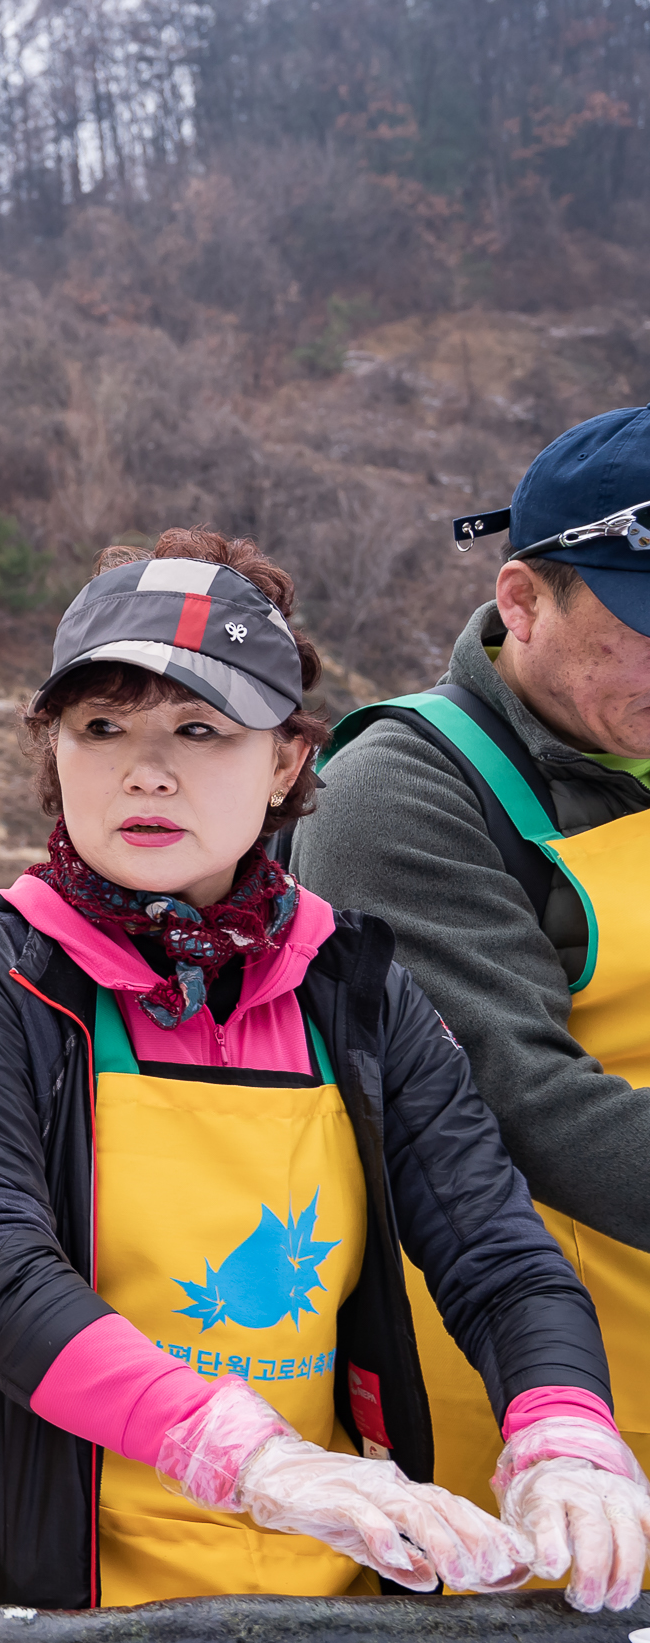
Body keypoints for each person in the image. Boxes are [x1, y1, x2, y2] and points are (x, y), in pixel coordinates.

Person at [0, 529, 650, 1612]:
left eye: (201, 729)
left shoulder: (353, 984)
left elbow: (496, 1252)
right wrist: (245, 1452)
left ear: (289, 759)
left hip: (329, 1580)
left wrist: (564, 1428)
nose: (146, 769)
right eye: (102, 727)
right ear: (52, 748)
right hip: (54, 1587)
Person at [296, 410, 650, 1541]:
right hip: (552, 1418)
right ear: (521, 599)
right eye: (645, 627)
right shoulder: (403, 790)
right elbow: (522, 1102)